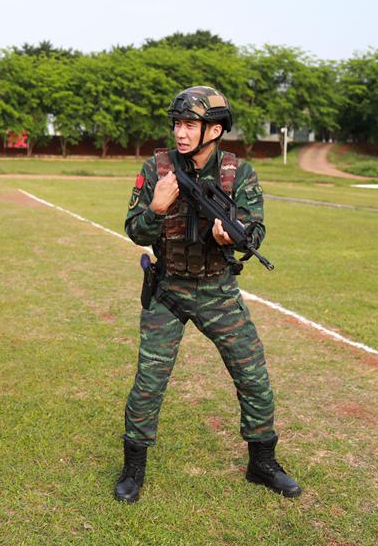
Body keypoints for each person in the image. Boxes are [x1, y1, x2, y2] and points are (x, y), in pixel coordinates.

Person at [115, 86, 301, 503]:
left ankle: (262, 462)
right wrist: (156, 209)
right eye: (177, 124)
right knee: (149, 381)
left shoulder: (239, 173)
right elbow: (134, 231)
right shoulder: (156, 169)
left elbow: (254, 229)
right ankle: (133, 466)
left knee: (253, 374)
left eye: (191, 125)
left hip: (217, 289)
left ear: (215, 130)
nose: (180, 133)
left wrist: (231, 237)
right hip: (168, 289)